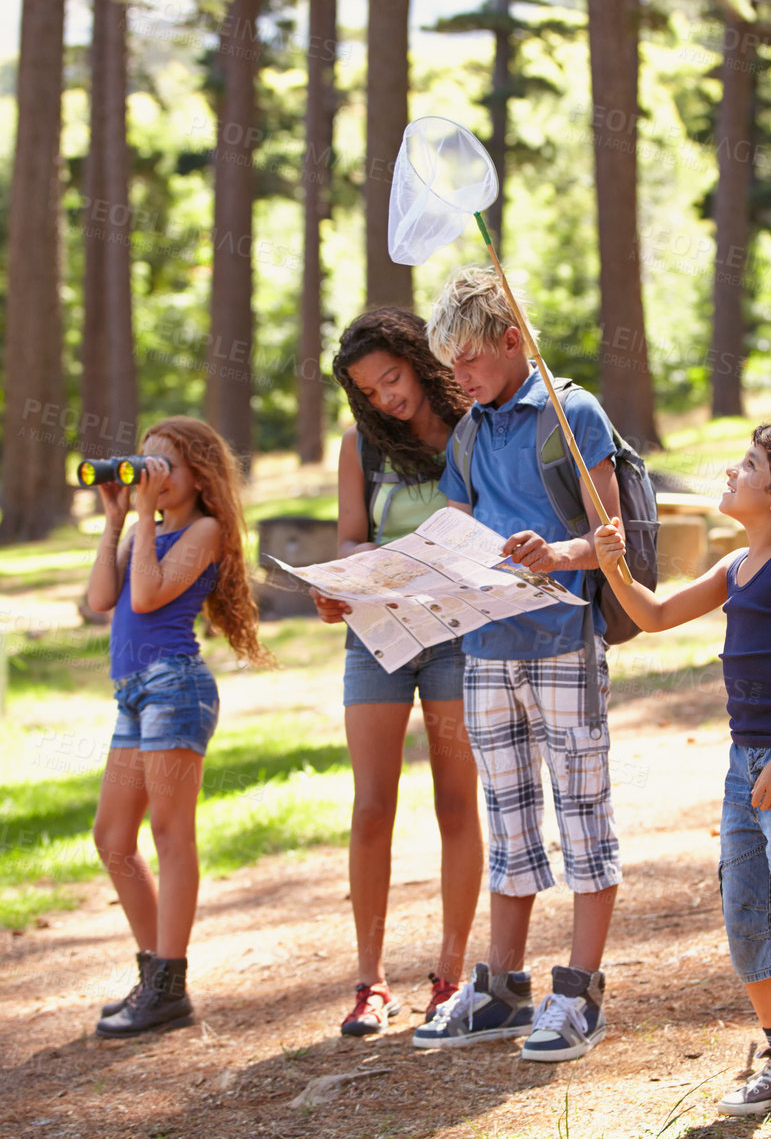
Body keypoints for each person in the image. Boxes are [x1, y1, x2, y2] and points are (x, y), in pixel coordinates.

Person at [596, 425, 771, 1136]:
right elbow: (654, 617)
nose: (730, 468)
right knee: (747, 912)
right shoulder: (735, 566)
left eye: (746, 465)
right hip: (745, 765)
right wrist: (614, 569)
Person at [412, 267, 623, 1063]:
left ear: (511, 341)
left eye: (469, 360)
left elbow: (609, 539)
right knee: (507, 819)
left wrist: (556, 553)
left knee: (582, 817)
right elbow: (458, 528)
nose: (459, 378)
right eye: (450, 366)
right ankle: (502, 987)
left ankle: (579, 992)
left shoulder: (571, 414)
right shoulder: (467, 433)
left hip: (562, 641)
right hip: (486, 650)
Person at [311, 306, 486, 1037]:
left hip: (455, 632)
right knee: (372, 806)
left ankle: (450, 976)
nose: (387, 398)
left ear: (418, 360)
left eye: (392, 378)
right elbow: (352, 535)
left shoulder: (473, 429)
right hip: (378, 635)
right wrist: (340, 578)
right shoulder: (361, 446)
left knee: (455, 803)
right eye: (370, 390)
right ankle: (369, 982)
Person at [87, 416, 273, 1038]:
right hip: (134, 696)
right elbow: (99, 599)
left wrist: (144, 519)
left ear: (198, 477)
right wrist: (117, 516)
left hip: (175, 688)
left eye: (164, 466)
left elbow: (146, 598)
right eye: (146, 463)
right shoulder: (145, 530)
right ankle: (156, 977)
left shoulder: (204, 530)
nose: (151, 476)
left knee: (169, 832)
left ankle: (169, 983)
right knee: (113, 837)